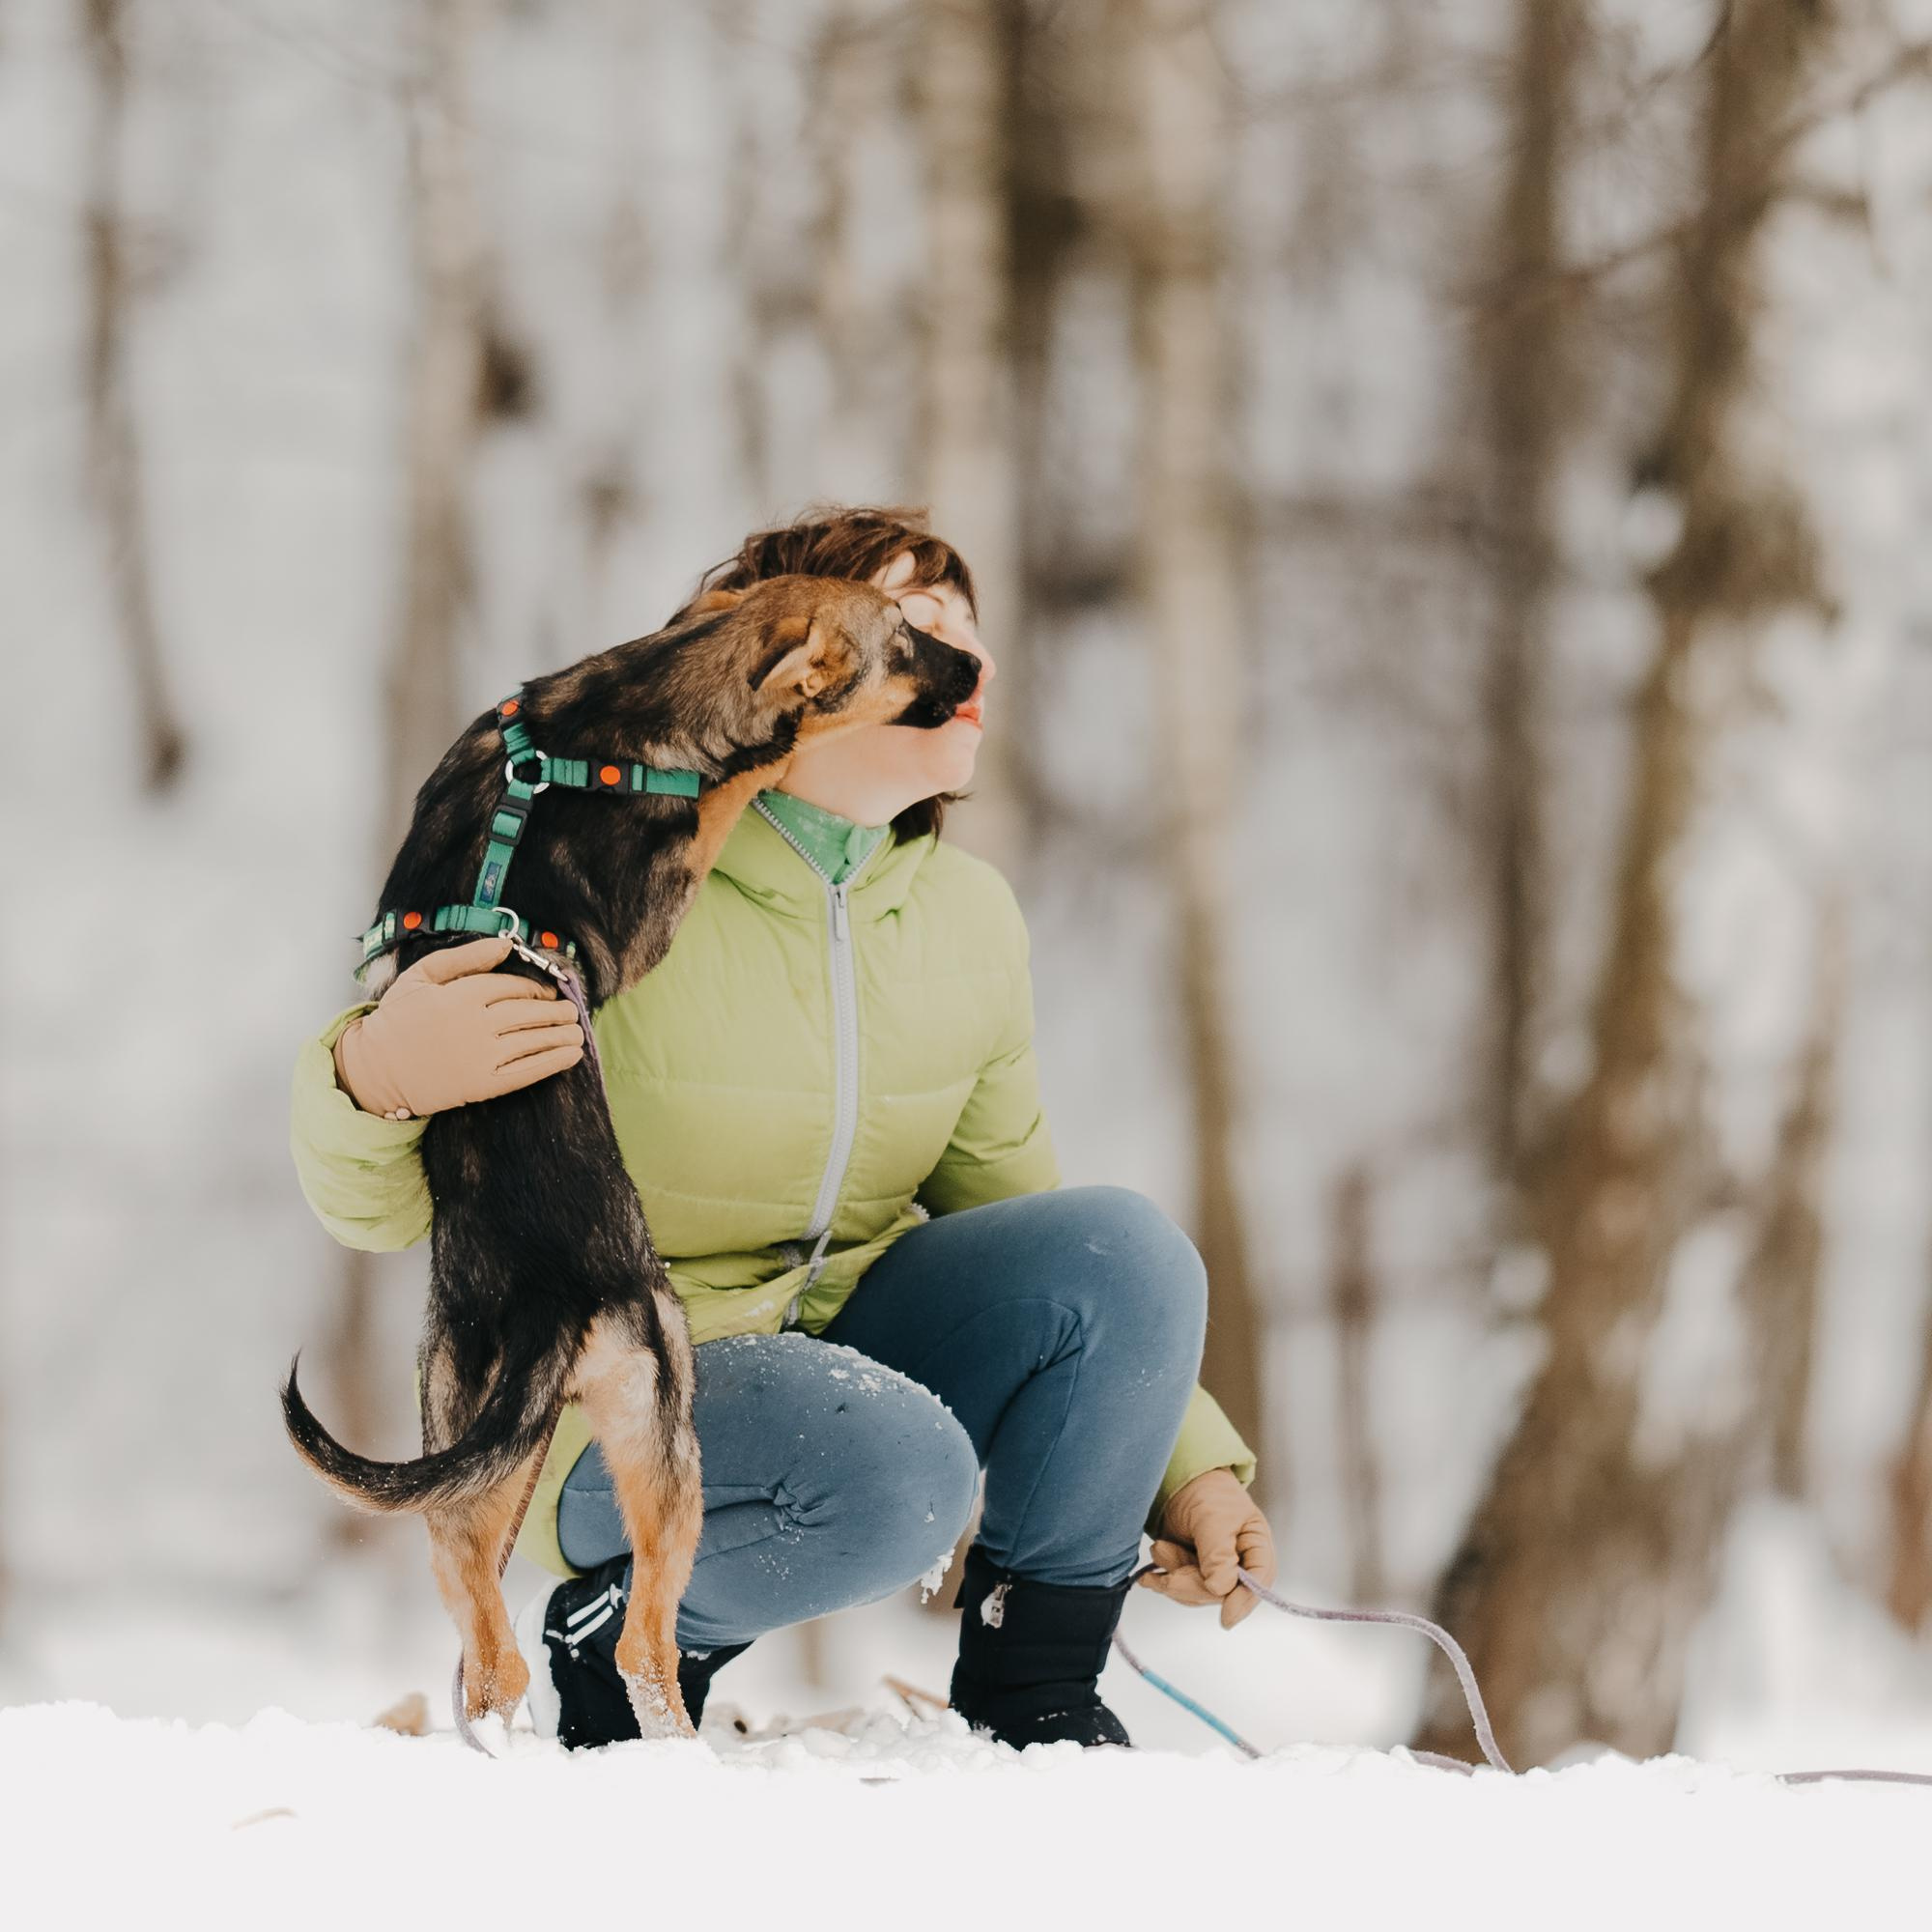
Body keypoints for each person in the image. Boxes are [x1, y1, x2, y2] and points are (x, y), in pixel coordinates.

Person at [291, 504, 1278, 1749]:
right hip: (617, 1394)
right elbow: (376, 1211)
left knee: (1119, 1250)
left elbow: (1021, 1214)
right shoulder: (605, 873)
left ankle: (1038, 1698)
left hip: (859, 1369)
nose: (965, 669)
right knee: (893, 1468)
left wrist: (1186, 1462)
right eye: (916, 632)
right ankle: (627, 1642)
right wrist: (374, 1073)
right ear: (797, 673)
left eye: (974, 636)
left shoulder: (967, 915)